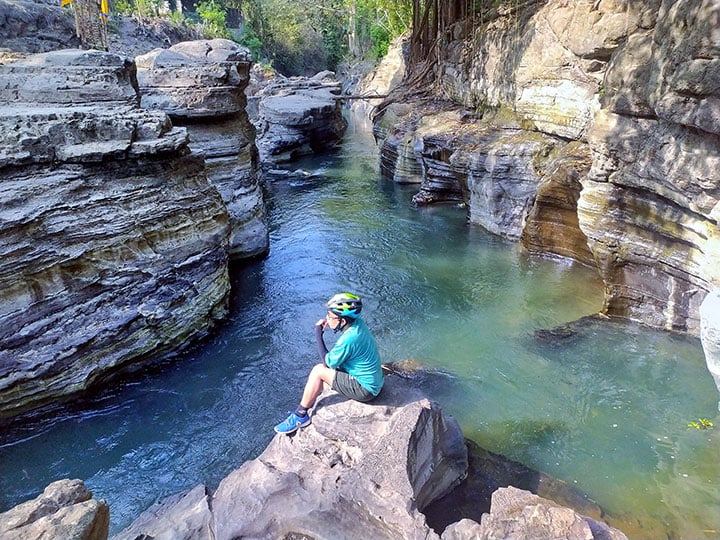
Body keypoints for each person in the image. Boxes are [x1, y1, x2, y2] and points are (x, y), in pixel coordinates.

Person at [274, 292, 384, 434]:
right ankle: (309, 402)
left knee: (318, 371)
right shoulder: (358, 325)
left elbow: (328, 362)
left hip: (366, 390)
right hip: (375, 381)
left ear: (342, 321)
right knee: (324, 378)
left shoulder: (349, 339)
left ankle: (300, 415)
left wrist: (318, 334)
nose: (327, 318)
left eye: (330, 316)